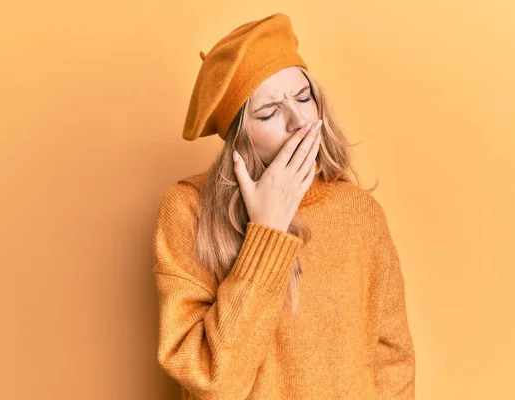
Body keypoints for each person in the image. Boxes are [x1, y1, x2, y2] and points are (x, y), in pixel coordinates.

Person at [153, 13, 416, 399]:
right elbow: (212, 383)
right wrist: (267, 232)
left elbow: (392, 360)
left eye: (303, 96)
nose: (298, 120)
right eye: (269, 111)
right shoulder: (187, 210)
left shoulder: (359, 211)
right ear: (240, 137)